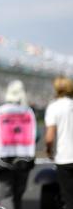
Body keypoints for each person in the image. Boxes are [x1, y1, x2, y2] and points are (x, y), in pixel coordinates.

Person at [0, 80, 39, 209]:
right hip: (24, 160)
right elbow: (36, 136)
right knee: (18, 195)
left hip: (2, 160)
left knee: (5, 196)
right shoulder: (28, 112)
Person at [45, 76, 73, 209]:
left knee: (68, 197)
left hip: (65, 158)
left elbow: (50, 137)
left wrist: (49, 150)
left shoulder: (54, 107)